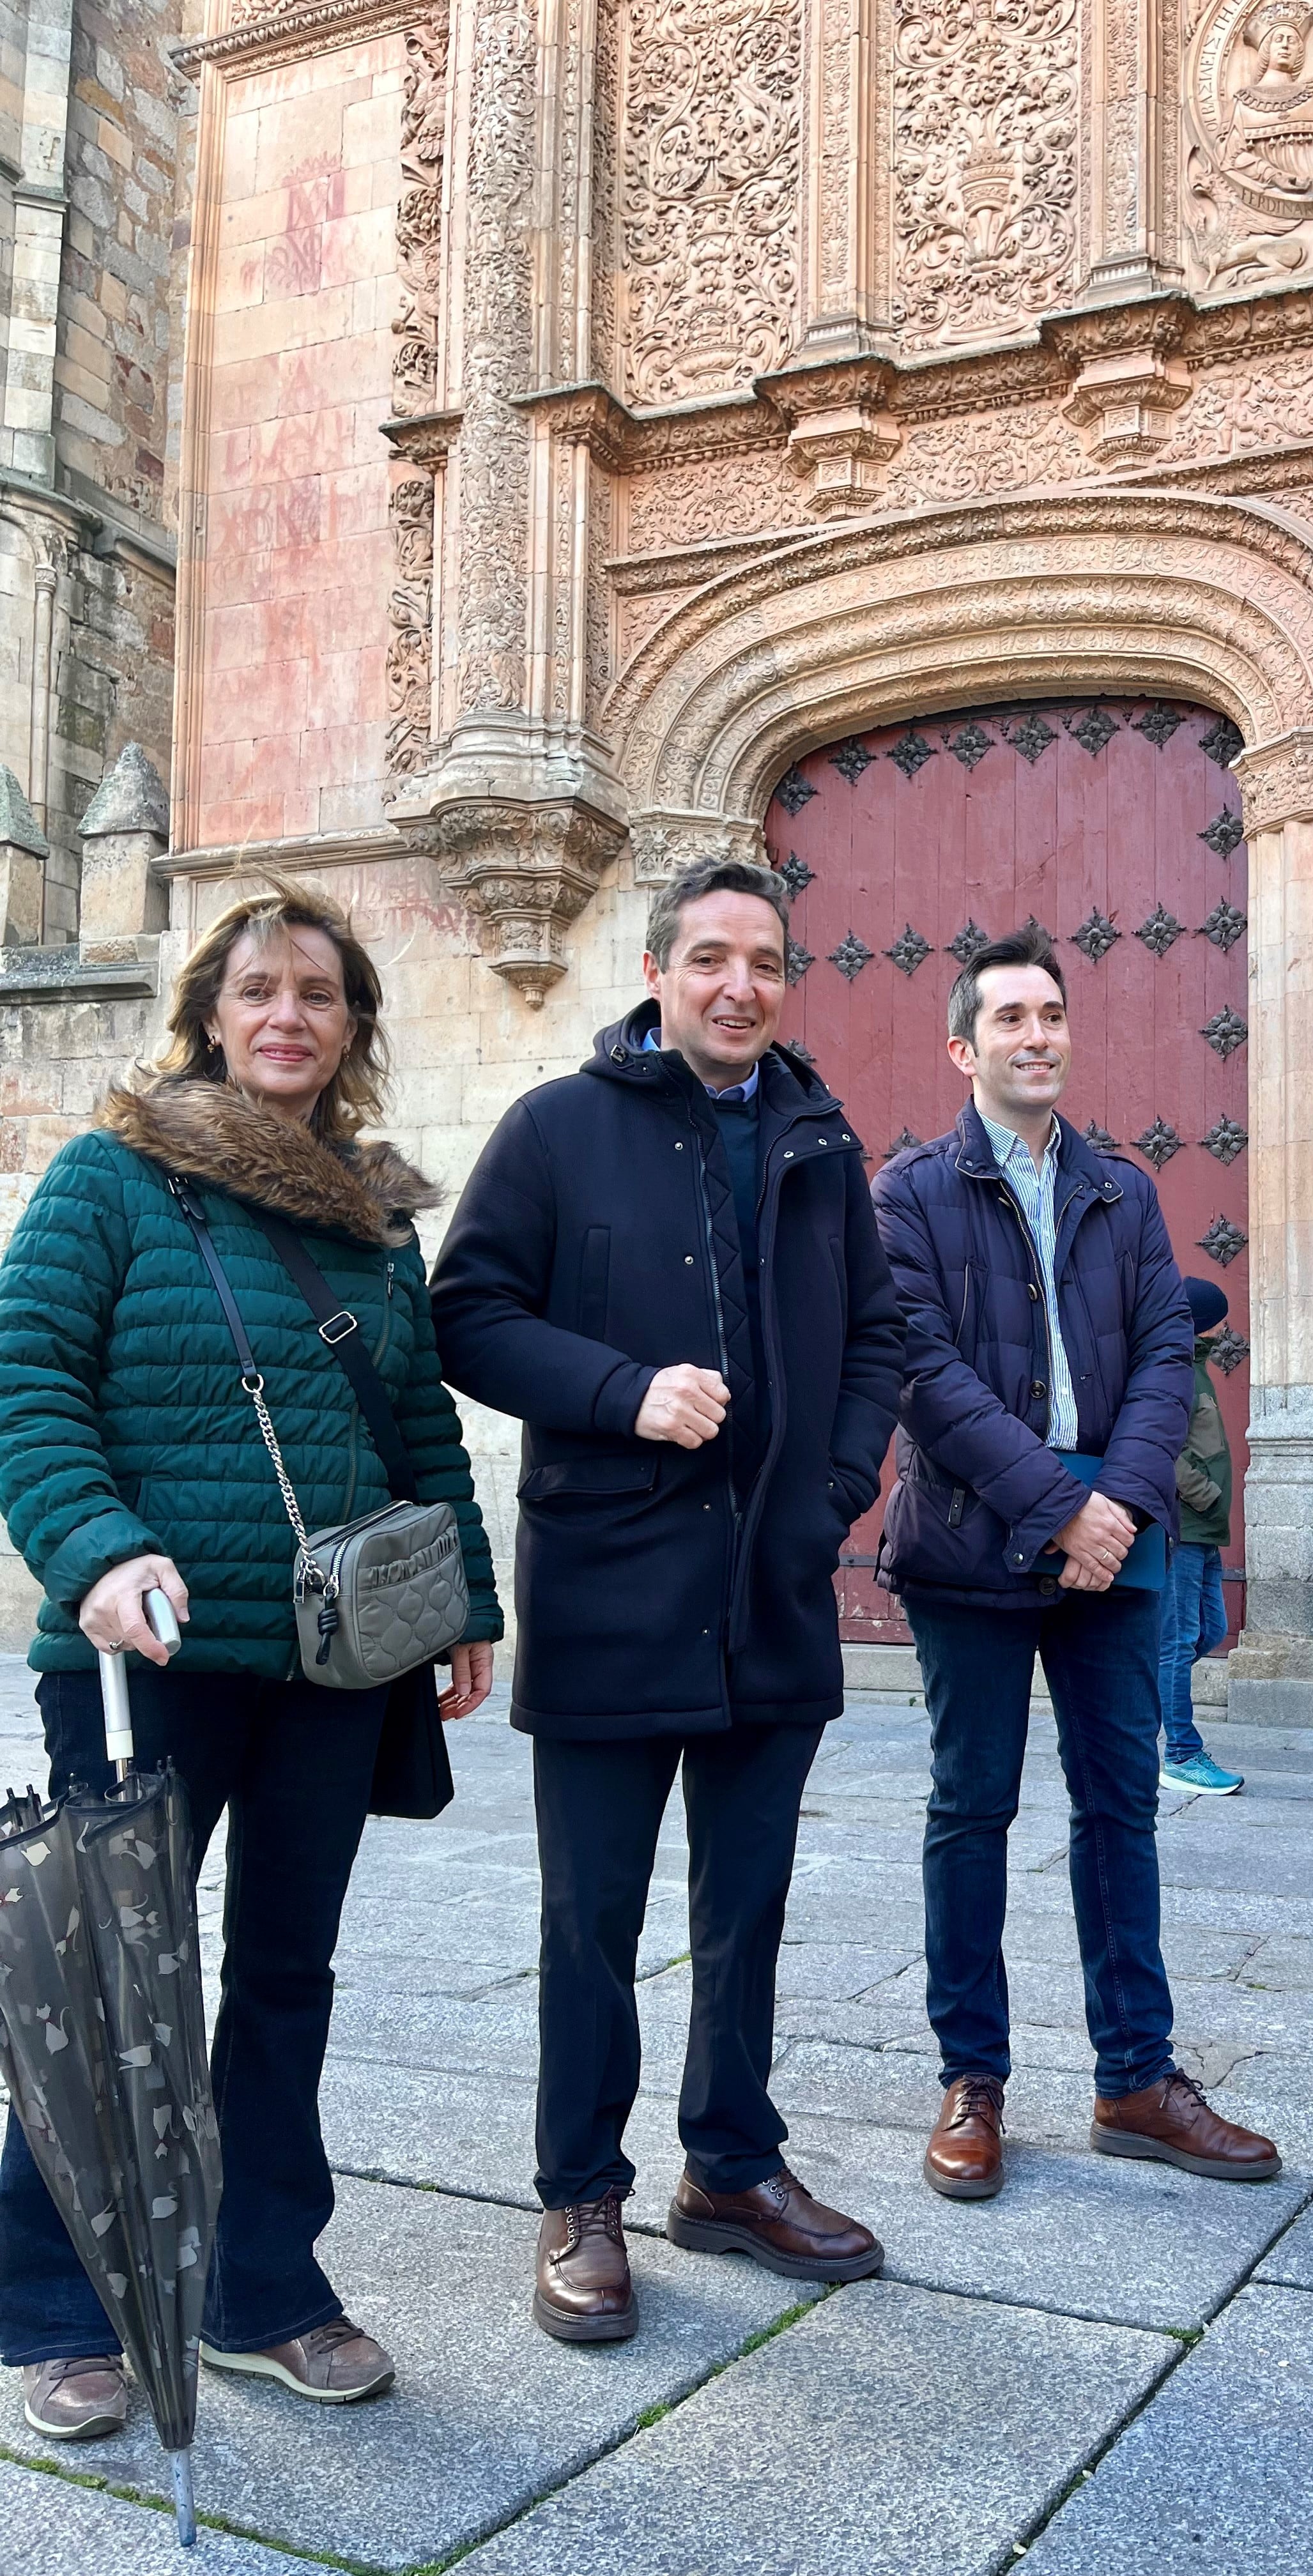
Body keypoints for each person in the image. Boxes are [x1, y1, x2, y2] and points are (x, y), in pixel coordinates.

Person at [0, 880, 500, 2440]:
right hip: (142, 1653)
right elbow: (25, 1380)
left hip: (338, 1662)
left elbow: (417, 1419)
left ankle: (262, 2288)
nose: (288, 1016)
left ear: (350, 1028)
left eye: (320, 995)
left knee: (288, 1972)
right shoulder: (110, 1179)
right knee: (113, 1982)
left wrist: (466, 1600)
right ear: (210, 1014)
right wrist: (91, 1554)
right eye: (260, 990)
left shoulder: (371, 1212)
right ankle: (56, 2307)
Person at [431, 856, 903, 2337]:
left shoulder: (822, 1140)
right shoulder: (559, 1130)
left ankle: (732, 2168)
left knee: (748, 1910)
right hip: (609, 1588)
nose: (739, 987)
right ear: (659, 971)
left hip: (772, 1594)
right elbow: (468, 1315)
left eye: (763, 961)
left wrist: (832, 1492)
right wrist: (624, 1393)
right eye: (710, 959)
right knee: (592, 1920)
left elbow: (878, 1340)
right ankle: (581, 2195)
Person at [871, 924, 1280, 2203]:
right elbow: (921, 1372)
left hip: (1118, 1548)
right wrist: (1060, 1505)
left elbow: (1172, 1352)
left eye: (1052, 1014)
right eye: (1010, 1018)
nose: (1036, 1034)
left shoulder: (1125, 1191)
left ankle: (1136, 2078)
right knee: (971, 1810)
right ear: (963, 1045)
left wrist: (1121, 1504)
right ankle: (972, 2081)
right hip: (974, 1544)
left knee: (1122, 1810)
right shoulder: (911, 1195)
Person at [1158, 1276, 1243, 1797]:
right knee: (1175, 1641)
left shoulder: (1194, 1366)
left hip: (1203, 1531)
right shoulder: (1173, 1372)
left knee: (1208, 1631)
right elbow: (1162, 1447)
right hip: (1185, 1526)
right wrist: (1206, 1494)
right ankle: (1182, 1754)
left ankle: (1134, 1704)